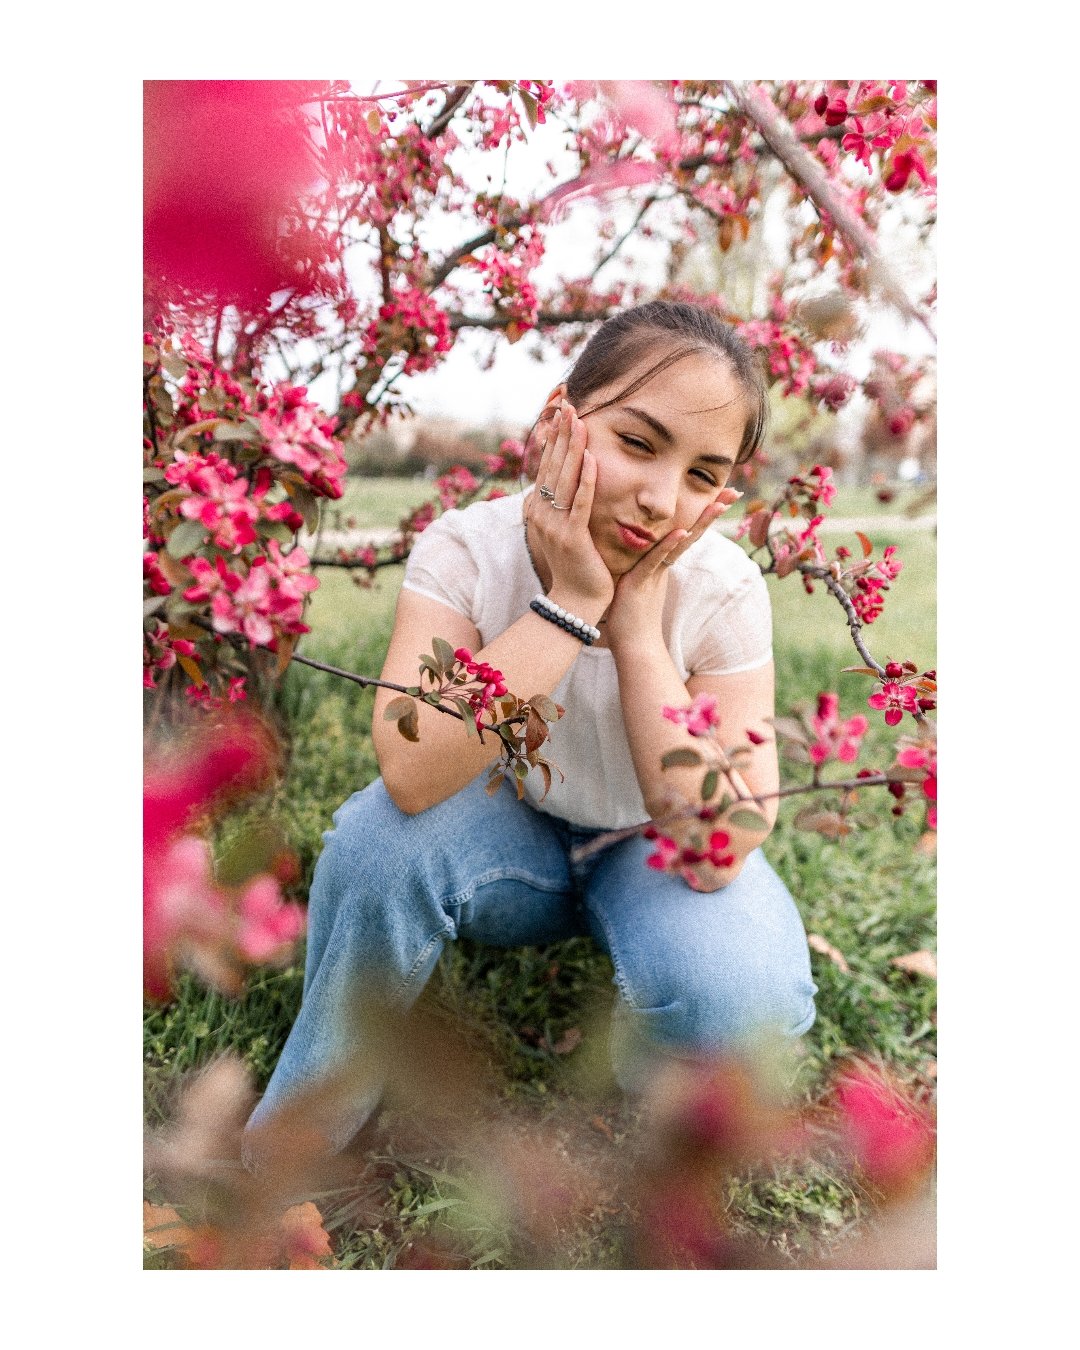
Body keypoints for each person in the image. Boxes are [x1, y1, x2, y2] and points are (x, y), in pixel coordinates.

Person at [244, 300, 817, 1161]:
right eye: (637, 442)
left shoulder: (722, 588)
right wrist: (573, 605)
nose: (662, 500)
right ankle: (297, 1141)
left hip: (652, 848)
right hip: (505, 829)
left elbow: (720, 839)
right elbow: (411, 771)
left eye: (703, 476)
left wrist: (634, 631)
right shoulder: (467, 551)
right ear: (560, 420)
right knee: (375, 842)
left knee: (742, 997)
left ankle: (649, 1081)